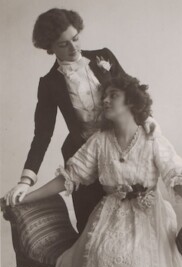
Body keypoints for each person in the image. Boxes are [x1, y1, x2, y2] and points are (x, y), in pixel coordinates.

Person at [12, 76, 182, 267]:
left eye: (113, 96)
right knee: (99, 255)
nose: (106, 101)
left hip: (149, 215)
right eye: (104, 97)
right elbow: (69, 178)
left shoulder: (152, 140)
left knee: (136, 262)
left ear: (131, 101)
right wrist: (25, 197)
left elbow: (180, 181)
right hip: (109, 214)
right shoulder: (99, 141)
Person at [3, 8, 138, 233]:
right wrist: (26, 180)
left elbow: (133, 93)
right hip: (82, 155)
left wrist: (147, 127)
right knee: (90, 226)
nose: (73, 48)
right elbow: (42, 134)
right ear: (50, 48)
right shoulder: (49, 83)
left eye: (75, 39)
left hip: (121, 150)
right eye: (63, 44)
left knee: (129, 220)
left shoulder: (103, 56)